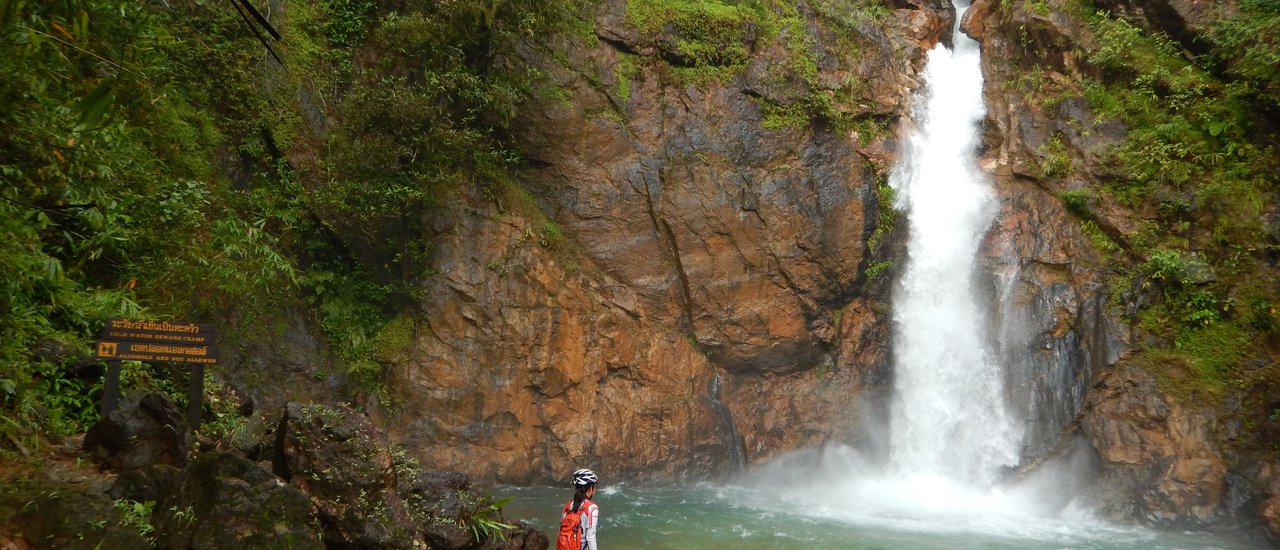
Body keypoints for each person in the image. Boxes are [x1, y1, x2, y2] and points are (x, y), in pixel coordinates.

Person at [556, 468, 599, 550]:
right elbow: (590, 538)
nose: (595, 489)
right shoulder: (592, 508)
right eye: (594, 486)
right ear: (590, 488)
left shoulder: (567, 505)